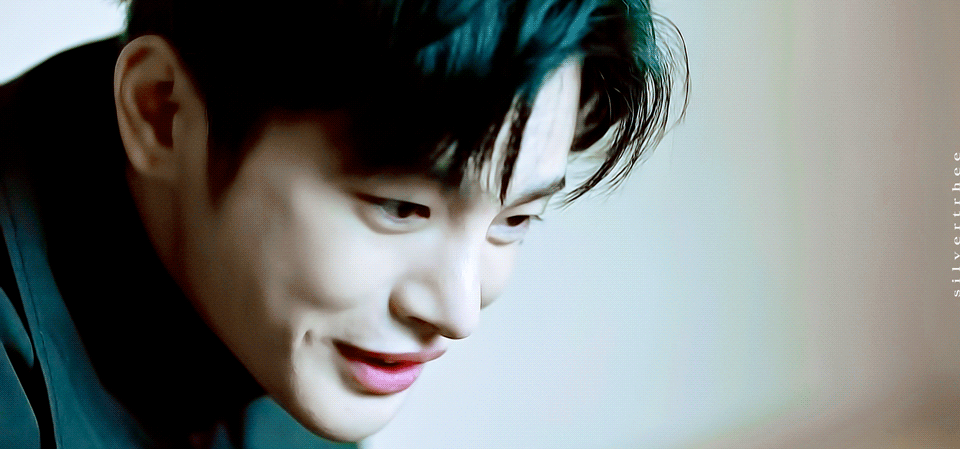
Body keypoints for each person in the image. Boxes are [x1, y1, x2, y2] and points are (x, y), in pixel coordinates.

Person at [0, 0, 686, 447]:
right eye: (400, 208)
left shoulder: (306, 338)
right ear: (164, 114)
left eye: (516, 218)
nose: (456, 312)